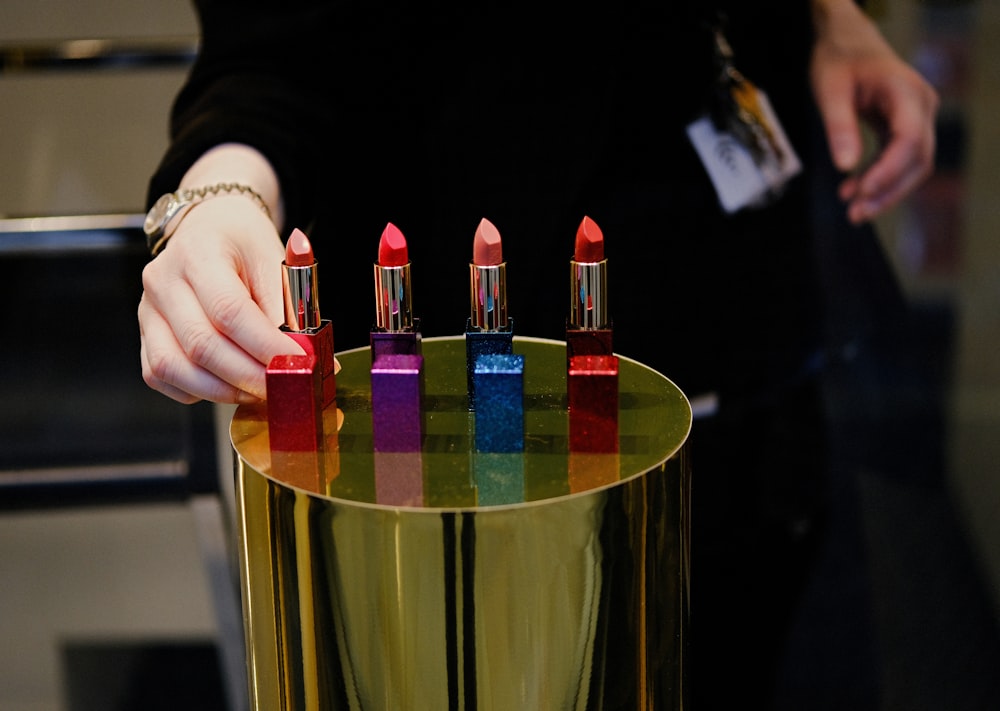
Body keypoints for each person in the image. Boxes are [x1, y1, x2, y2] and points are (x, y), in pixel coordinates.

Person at [137, 0, 938, 707]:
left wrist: (832, 14)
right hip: (419, 437)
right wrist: (217, 196)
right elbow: (272, 53)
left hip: (738, 322)